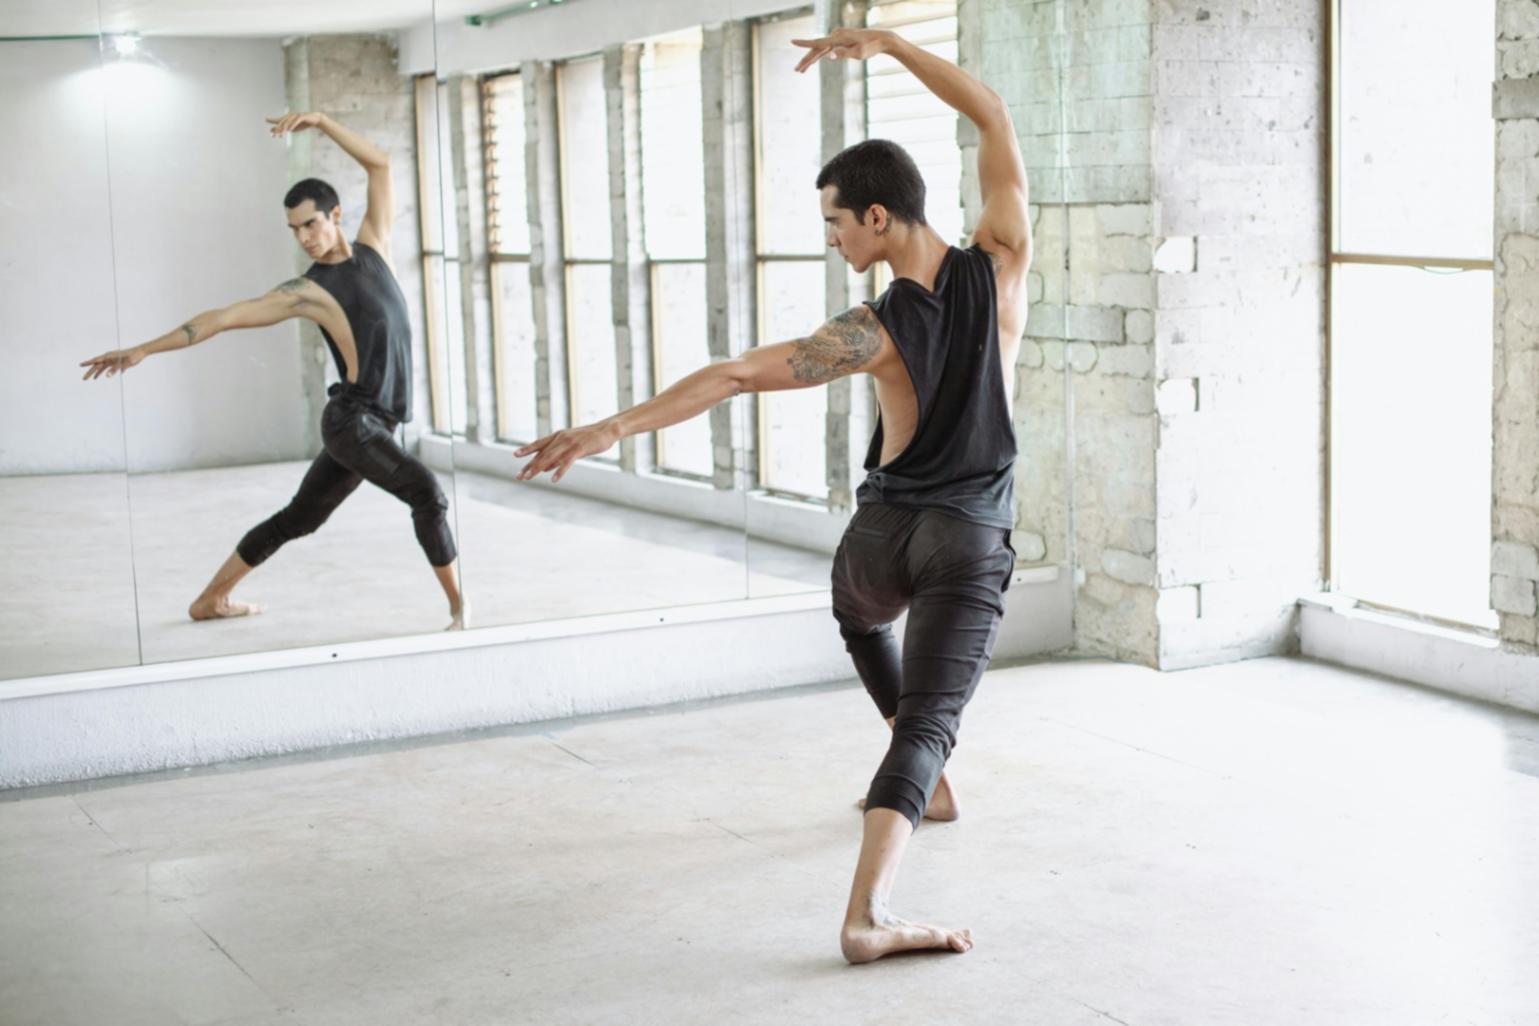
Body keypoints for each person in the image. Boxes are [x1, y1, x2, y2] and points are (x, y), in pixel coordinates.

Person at [517, 27, 1029, 962]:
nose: (831, 236)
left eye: (835, 221)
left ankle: (907, 834)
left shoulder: (868, 329)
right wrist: (891, 46)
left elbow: (735, 376)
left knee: (861, 616)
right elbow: (988, 112)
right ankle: (878, 890)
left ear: (878, 218)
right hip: (968, 539)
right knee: (928, 726)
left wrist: (610, 430)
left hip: (880, 541)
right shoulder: (1002, 264)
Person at [80, 112, 464, 630]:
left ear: (335, 214)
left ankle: (211, 600)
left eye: (311, 224)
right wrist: (146, 349)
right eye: (294, 229)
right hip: (354, 423)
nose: (304, 237)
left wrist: (323, 121)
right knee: (428, 495)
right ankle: (460, 610)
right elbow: (222, 318)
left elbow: (380, 163)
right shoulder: (307, 291)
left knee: (299, 519)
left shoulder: (376, 247)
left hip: (373, 424)